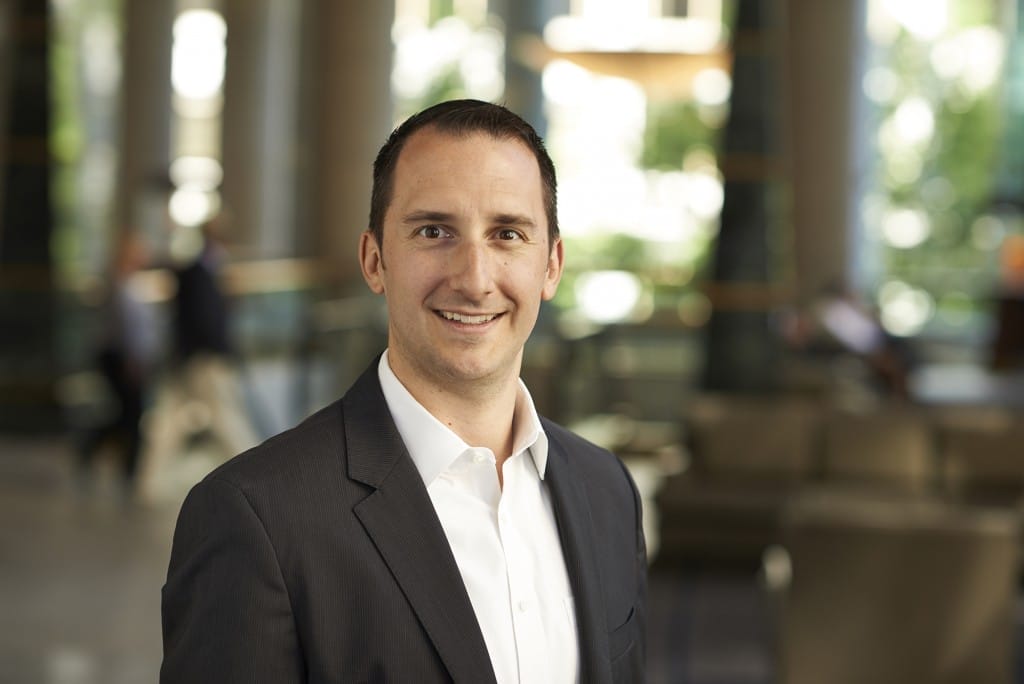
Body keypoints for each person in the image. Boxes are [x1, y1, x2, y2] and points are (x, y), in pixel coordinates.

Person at [160, 99, 647, 683]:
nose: (473, 278)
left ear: (551, 266)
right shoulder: (256, 517)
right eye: (434, 231)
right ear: (374, 260)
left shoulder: (607, 491)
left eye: (508, 234)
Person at [137, 214, 259, 500]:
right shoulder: (199, 272)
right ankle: (255, 475)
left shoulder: (205, 272)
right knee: (225, 419)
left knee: (172, 420)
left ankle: (150, 482)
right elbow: (203, 321)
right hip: (204, 361)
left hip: (194, 360)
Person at [77, 231, 158, 498]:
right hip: (122, 358)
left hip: (128, 358)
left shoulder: (129, 285)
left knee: (126, 413)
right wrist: (132, 360)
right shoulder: (119, 287)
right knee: (130, 414)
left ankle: (96, 448)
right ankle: (123, 466)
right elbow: (125, 330)